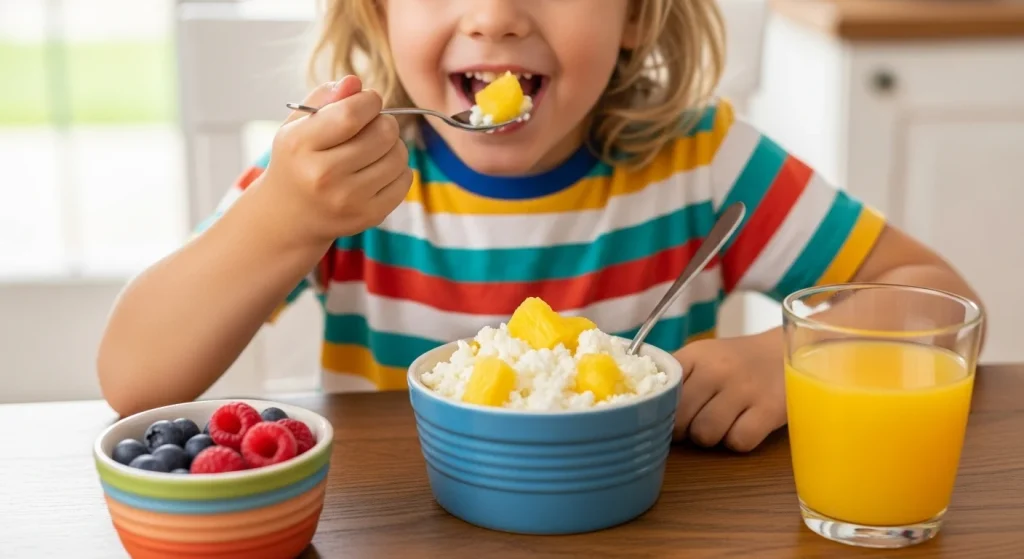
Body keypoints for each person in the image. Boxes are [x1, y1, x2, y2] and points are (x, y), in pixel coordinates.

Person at [97, 0, 982, 451]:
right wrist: (282, 220)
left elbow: (938, 300)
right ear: (378, 12)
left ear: (635, 16)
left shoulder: (702, 162)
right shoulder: (338, 179)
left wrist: (791, 361)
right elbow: (135, 379)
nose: (499, 14)